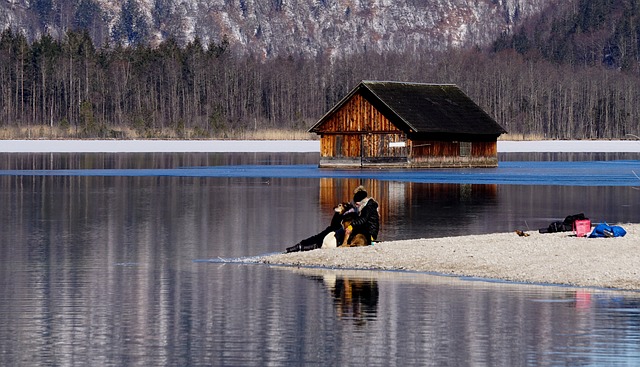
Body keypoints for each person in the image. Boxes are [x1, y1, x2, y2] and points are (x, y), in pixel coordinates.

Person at [285, 202, 354, 253]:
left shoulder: (350, 215)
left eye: (340, 206)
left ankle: (300, 247)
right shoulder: (339, 214)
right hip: (331, 230)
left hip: (335, 234)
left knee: (320, 240)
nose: (336, 208)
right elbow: (333, 224)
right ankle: (300, 245)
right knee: (316, 237)